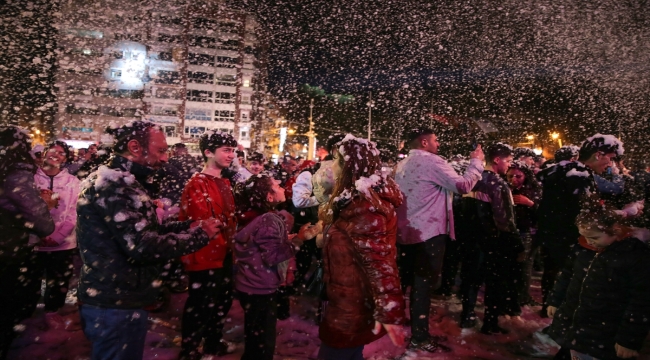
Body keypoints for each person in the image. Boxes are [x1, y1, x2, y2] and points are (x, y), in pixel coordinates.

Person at [76, 121, 220, 360]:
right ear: (134, 147)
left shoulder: (124, 181)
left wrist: (187, 226)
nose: (165, 159)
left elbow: (145, 230)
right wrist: (199, 236)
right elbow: (141, 245)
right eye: (161, 150)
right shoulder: (115, 184)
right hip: (114, 303)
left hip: (122, 298)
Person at [394, 127, 483, 351]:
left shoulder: (402, 164)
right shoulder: (431, 162)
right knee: (422, 287)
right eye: (435, 140)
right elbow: (463, 186)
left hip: (406, 232)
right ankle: (420, 336)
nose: (438, 144)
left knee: (404, 284)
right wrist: (476, 163)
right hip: (429, 233)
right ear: (424, 142)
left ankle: (394, 327)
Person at [317, 135, 406, 360]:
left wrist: (390, 310)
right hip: (348, 297)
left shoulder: (365, 205)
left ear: (351, 167)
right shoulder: (353, 199)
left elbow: (379, 261)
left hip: (352, 302)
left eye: (337, 160)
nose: (331, 165)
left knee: (337, 351)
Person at [546, 204, 650, 360]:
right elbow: (566, 275)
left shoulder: (634, 256)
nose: (589, 241)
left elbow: (641, 300)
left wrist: (628, 340)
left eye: (594, 237)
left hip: (604, 332)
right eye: (584, 236)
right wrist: (555, 300)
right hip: (575, 326)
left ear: (615, 231)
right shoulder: (583, 248)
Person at [233, 173, 320, 360]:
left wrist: (284, 240)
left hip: (248, 285)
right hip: (260, 288)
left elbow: (258, 246)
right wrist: (299, 239)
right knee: (263, 341)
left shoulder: (256, 217)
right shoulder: (268, 220)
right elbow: (272, 256)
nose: (281, 185)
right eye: (275, 185)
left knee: (254, 335)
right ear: (269, 197)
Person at [536, 134, 623, 316]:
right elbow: (586, 213)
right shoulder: (579, 176)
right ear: (598, 155)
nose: (611, 164)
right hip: (569, 239)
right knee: (572, 284)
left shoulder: (562, 171)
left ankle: (550, 311)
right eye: (611, 158)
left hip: (552, 236)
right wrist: (622, 214)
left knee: (553, 276)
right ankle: (563, 325)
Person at [178, 130, 239, 360]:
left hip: (224, 253)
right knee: (200, 304)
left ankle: (213, 343)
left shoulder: (224, 181)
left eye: (232, 150)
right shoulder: (197, 183)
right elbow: (204, 222)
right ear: (208, 152)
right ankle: (190, 349)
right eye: (226, 150)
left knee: (221, 302)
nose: (231, 155)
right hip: (204, 255)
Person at [0, 125, 55, 360]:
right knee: (6, 309)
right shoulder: (16, 174)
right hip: (8, 251)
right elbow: (42, 223)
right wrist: (46, 204)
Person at [458, 143, 524, 334]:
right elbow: (504, 218)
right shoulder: (498, 184)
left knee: (470, 278)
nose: (509, 165)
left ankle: (467, 315)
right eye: (508, 161)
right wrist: (514, 242)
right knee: (494, 282)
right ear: (497, 160)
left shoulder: (471, 179)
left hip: (470, 238)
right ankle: (490, 321)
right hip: (492, 241)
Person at [30, 141, 82, 327]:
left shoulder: (73, 182)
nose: (56, 155)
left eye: (61, 153)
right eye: (52, 150)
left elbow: (73, 212)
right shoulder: (31, 179)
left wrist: (57, 237)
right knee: (29, 279)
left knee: (58, 279)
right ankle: (26, 312)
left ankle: (52, 310)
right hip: (33, 240)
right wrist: (40, 234)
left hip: (63, 242)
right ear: (44, 153)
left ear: (66, 158)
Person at [506, 160, 542, 306]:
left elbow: (543, 213)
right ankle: (512, 296)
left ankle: (523, 296)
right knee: (510, 266)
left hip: (527, 232)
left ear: (526, 176)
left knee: (525, 267)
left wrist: (530, 203)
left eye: (518, 176)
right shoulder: (504, 188)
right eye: (510, 176)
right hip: (508, 232)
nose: (514, 179)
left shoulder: (534, 190)